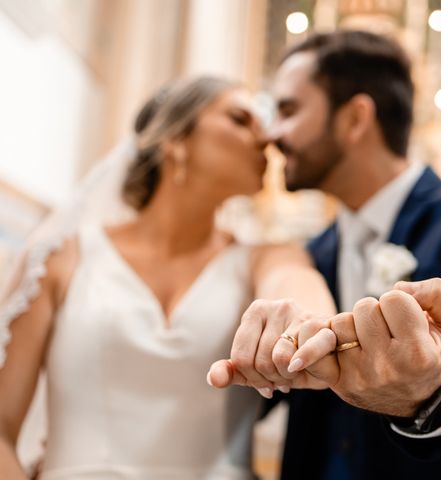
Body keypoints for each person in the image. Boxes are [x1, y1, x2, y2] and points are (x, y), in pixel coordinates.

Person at [210, 30, 441, 479]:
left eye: (289, 110)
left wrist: (432, 391)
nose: (272, 135)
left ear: (355, 119)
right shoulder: (306, 258)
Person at [0, 77, 336, 479]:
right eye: (239, 119)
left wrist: (302, 322)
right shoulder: (59, 259)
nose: (265, 137)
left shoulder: (267, 257)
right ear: (175, 139)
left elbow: (297, 293)